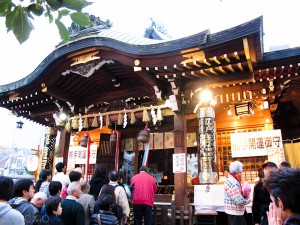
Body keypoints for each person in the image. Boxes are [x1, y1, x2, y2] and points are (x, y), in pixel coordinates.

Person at [224, 161, 251, 225]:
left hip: (235, 212)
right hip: (235, 213)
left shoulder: (232, 180)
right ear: (238, 172)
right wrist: (248, 199)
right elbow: (239, 201)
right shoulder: (232, 181)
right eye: (241, 172)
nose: (241, 174)